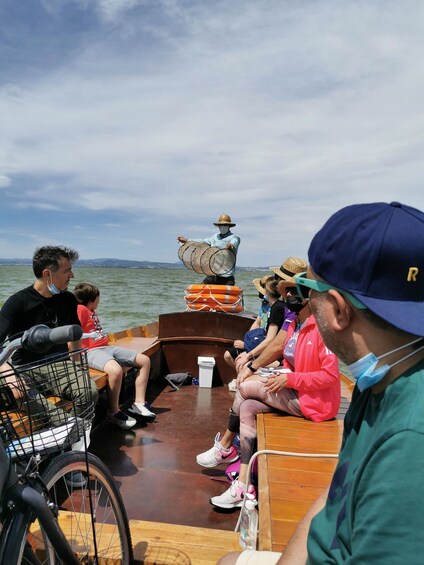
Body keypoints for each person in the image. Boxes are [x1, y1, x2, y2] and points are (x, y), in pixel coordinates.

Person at [219, 201, 424, 564]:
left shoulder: (410, 442)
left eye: (308, 288)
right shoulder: (379, 381)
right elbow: (336, 494)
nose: (302, 299)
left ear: (339, 310)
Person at [197, 279, 340, 511]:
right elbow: (285, 355)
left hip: (314, 403)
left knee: (244, 387)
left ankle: (226, 448)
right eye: (288, 292)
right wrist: (279, 371)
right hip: (295, 391)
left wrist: (289, 378)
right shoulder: (295, 324)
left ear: (310, 297)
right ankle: (244, 485)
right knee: (247, 408)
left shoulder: (323, 329)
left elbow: (330, 376)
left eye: (296, 292)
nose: (290, 296)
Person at [0, 246, 99, 418]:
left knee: (89, 392)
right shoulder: (17, 302)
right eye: (67, 270)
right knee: (11, 391)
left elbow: (75, 335)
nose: (72, 275)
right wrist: (9, 376)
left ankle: (68, 433)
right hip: (25, 369)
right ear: (48, 274)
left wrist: (78, 367)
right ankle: (70, 430)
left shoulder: (68, 299)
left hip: (61, 365)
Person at [74, 282, 156, 429]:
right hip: (90, 351)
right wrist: (76, 359)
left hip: (106, 347)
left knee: (144, 360)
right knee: (116, 370)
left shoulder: (90, 310)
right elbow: (74, 334)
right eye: (98, 298)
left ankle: (138, 403)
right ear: (92, 299)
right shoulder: (80, 309)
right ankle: (113, 412)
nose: (100, 301)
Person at [224, 275, 274, 374]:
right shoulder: (264, 305)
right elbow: (257, 322)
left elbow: (269, 337)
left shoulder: (275, 309)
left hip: (263, 345)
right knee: (228, 356)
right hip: (256, 341)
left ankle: (244, 376)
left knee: (242, 362)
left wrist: (246, 345)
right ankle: (241, 376)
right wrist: (247, 341)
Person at [177, 213, 241, 285]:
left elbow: (234, 244)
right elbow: (202, 242)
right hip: (213, 274)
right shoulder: (215, 237)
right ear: (218, 226)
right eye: (221, 225)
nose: (222, 227)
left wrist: (230, 246)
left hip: (227, 276)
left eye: (225, 225)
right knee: (201, 288)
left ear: (229, 226)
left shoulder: (234, 237)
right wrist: (186, 240)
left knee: (228, 292)